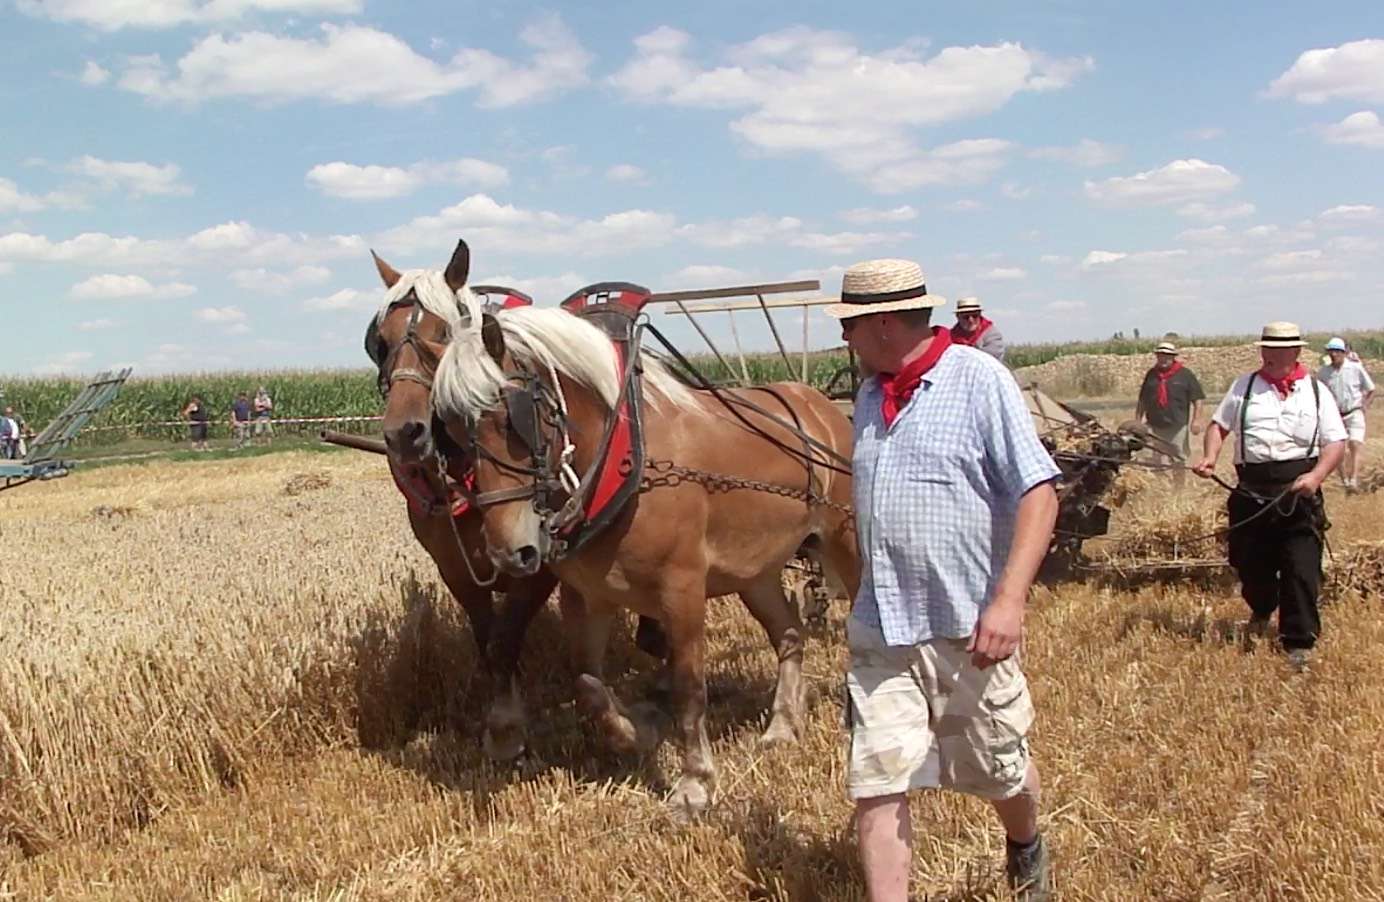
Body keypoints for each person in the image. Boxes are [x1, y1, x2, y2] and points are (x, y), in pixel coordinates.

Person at [826, 259, 1060, 902]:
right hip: (882, 626)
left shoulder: (979, 380)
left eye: (847, 325)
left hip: (967, 626)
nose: (843, 338)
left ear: (877, 324)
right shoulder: (872, 395)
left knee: (998, 770)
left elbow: (1039, 492)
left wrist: (1008, 602)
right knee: (875, 779)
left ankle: (1025, 843)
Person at [1193, 322, 1346, 671]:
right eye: (1268, 349)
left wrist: (1316, 476)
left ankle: (1299, 643)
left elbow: (1335, 442)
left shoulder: (1316, 391)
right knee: (1249, 566)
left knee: (1301, 568)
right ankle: (1262, 606)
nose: (1272, 356)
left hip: (1299, 492)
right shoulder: (1244, 387)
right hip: (1251, 491)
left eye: (1280, 349)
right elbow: (1219, 426)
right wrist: (1210, 457)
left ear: (1296, 352)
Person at [1134, 341, 1205, 487]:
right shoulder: (1151, 375)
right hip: (1154, 424)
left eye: (1167, 356)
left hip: (1177, 426)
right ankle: (1158, 486)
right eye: (1160, 355)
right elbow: (1142, 399)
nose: (1163, 359)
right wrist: (1137, 422)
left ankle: (1178, 488)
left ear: (1173, 357)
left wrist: (1196, 420)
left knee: (1178, 457)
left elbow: (1197, 398)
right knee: (1153, 457)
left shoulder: (1185, 375)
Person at [1317, 336, 1374, 493]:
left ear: (1344, 352)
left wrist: (1365, 406)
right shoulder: (1324, 372)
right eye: (1331, 351)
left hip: (1354, 411)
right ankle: (1344, 480)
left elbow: (1370, 388)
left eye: (1337, 351)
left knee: (1355, 444)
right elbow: (1319, 393)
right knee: (1337, 448)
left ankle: (1354, 479)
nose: (1334, 354)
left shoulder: (1355, 368)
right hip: (1335, 415)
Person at [949, 296, 1006, 362]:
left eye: (975, 316)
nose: (971, 320)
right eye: (966, 317)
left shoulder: (992, 335)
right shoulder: (950, 337)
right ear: (958, 317)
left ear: (980, 315)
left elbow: (987, 359)